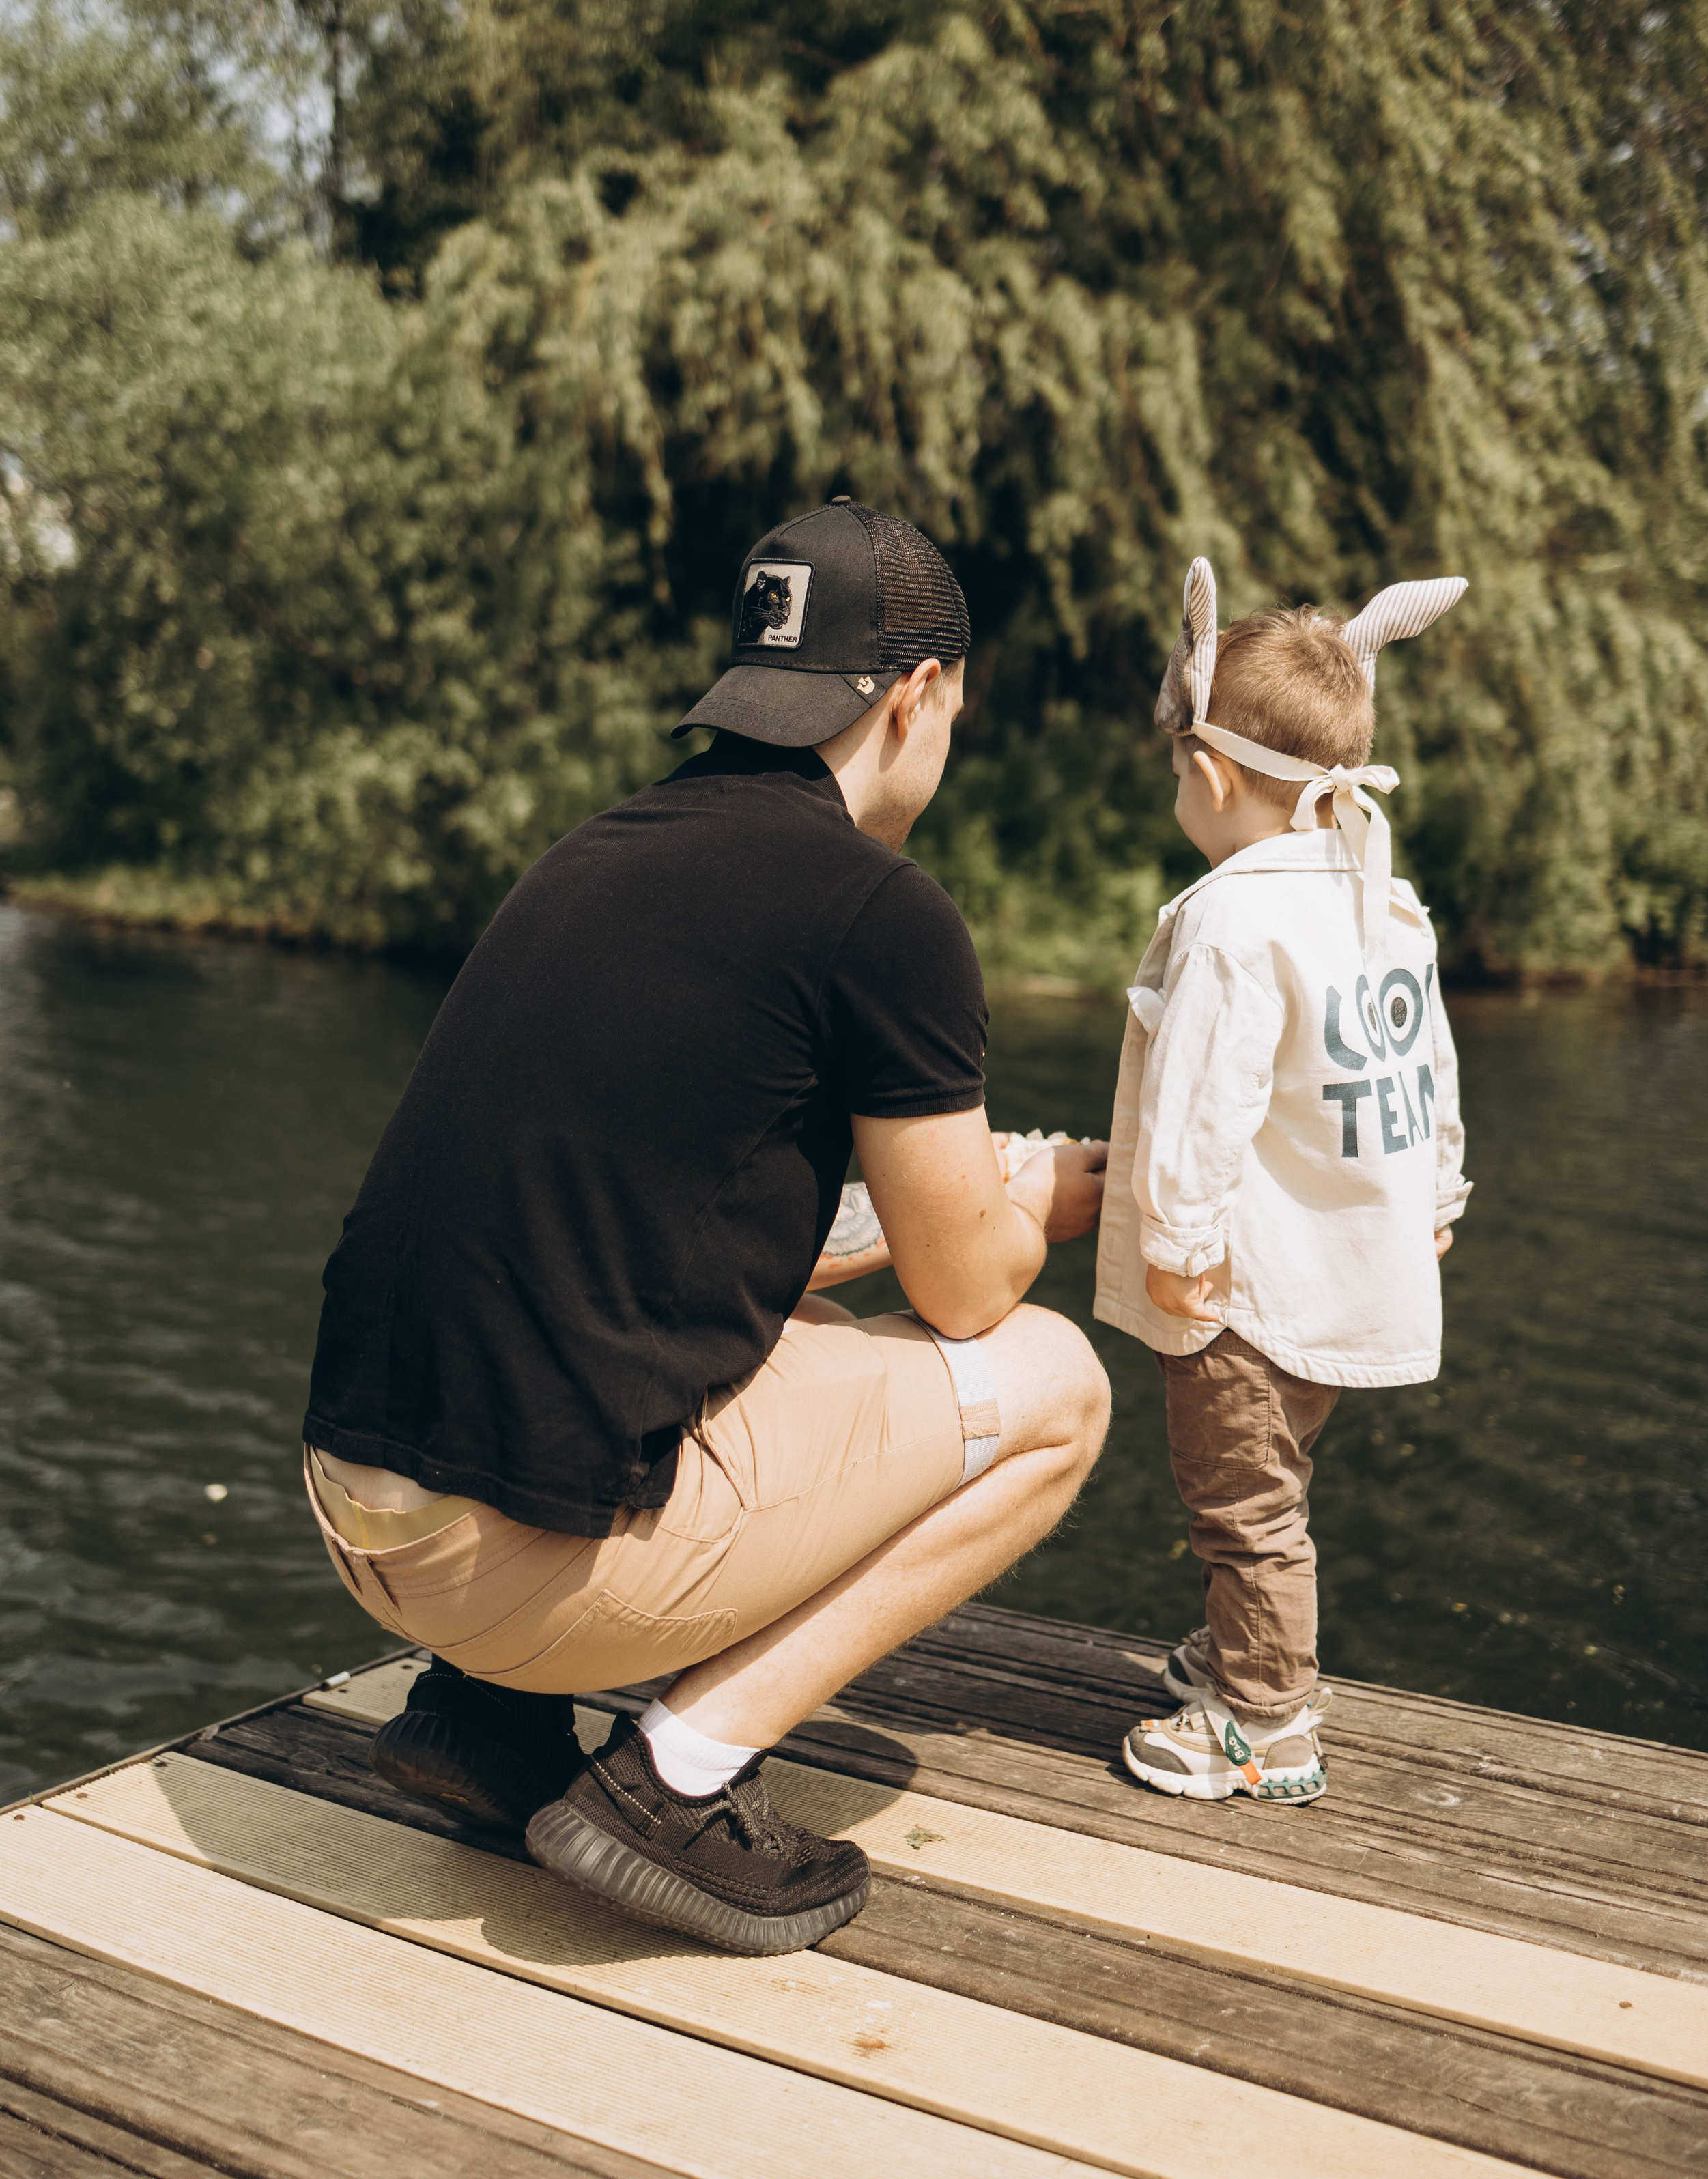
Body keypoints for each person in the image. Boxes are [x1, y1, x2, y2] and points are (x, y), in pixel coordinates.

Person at [301, 498, 1109, 1954]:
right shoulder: (881, 911)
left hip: (362, 1520)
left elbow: (651, 1231)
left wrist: (907, 1223)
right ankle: (670, 1785)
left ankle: (489, 1723)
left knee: (792, 1320)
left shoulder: (597, 849)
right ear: (916, 696)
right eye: (953, 712)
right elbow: (973, 1295)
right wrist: (1026, 1204)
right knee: (1055, 1388)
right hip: (513, 1564)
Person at [1096, 558, 1471, 1804]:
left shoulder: (1230, 917)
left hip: (1243, 1280)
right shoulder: (1385, 900)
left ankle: (1267, 1723)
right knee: (1277, 1477)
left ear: (1208, 772)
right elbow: (1432, 1072)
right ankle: (1251, 1641)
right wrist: (1439, 1196)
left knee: (1243, 1504)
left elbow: (1204, 1106)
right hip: (1353, 1263)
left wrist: (1178, 1244)